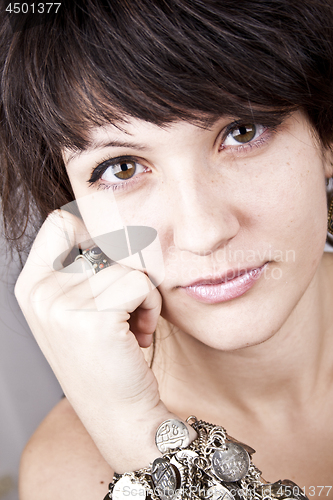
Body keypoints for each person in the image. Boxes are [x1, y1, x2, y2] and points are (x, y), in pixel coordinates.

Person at [1, 0, 333, 498]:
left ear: (326, 136)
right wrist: (132, 431)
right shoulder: (70, 476)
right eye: (123, 168)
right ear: (74, 215)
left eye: (242, 132)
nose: (203, 233)